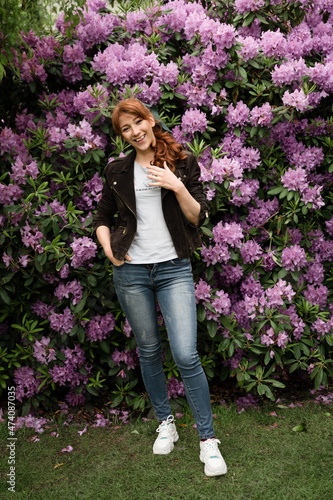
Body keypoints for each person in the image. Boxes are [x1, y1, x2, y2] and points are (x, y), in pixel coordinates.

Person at [93, 97, 227, 477]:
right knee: (149, 348)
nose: (135, 132)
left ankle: (207, 441)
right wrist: (109, 250)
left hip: (173, 269)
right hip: (132, 273)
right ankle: (165, 423)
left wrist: (175, 184)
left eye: (138, 122)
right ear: (122, 135)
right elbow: (102, 218)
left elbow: (199, 217)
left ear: (150, 120)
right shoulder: (117, 170)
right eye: (126, 129)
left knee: (186, 354)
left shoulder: (182, 162)